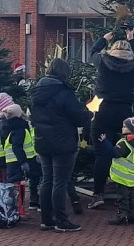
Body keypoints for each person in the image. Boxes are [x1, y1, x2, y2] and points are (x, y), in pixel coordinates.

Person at [30, 58, 92, 233]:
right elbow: (79, 117)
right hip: (63, 142)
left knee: (47, 180)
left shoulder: (37, 92)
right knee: (60, 181)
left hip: (43, 141)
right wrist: (88, 113)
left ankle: (46, 220)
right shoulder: (64, 92)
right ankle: (62, 220)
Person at [88, 28, 134, 209]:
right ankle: (125, 190)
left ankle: (97, 194)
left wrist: (103, 39)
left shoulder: (103, 62)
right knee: (125, 151)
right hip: (124, 113)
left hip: (102, 111)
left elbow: (92, 52)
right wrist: (132, 39)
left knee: (101, 154)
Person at [98, 117, 134, 225]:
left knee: (122, 197)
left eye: (125, 127)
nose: (122, 128)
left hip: (122, 176)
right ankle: (133, 216)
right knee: (132, 196)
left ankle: (122, 216)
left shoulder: (125, 143)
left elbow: (115, 153)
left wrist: (105, 142)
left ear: (131, 129)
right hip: (132, 176)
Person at [0, 102, 41, 209]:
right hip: (21, 160)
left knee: (16, 185)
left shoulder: (9, 126)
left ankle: (17, 208)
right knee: (17, 186)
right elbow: (17, 147)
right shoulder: (20, 128)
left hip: (13, 161)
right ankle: (17, 209)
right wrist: (23, 161)